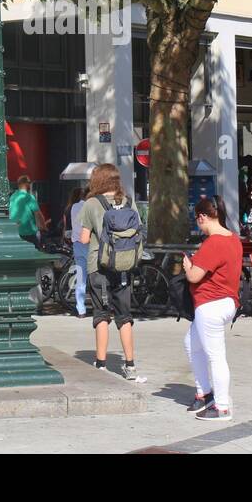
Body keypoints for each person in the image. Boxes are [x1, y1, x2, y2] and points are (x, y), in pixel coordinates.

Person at [78, 163, 147, 381]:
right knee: (124, 316)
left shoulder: (90, 204)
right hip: (124, 266)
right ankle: (130, 366)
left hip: (98, 266)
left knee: (101, 316)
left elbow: (84, 239)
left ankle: (100, 365)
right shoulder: (128, 201)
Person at [182, 198, 243, 422]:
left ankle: (222, 406)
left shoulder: (213, 242)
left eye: (197, 218)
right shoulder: (233, 239)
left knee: (216, 356)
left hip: (210, 304)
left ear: (202, 217)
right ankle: (204, 393)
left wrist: (188, 266)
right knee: (191, 343)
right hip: (226, 302)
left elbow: (194, 276)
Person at [65, 186, 88, 317]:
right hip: (89, 243)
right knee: (97, 276)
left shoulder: (73, 207)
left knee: (81, 277)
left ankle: (81, 309)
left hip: (77, 244)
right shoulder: (88, 207)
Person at [10, 176, 44, 248]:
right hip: (29, 232)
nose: (30, 185)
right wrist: (42, 227)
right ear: (25, 184)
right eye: (29, 183)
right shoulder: (29, 197)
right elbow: (37, 214)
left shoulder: (12, 197)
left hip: (15, 233)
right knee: (36, 255)